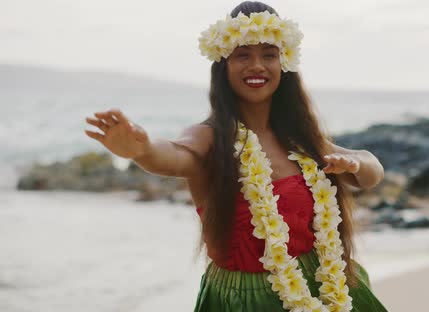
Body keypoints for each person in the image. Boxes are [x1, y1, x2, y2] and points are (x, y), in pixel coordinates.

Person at [84, 1, 388, 311]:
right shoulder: (210, 137)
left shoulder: (299, 138)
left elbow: (371, 171)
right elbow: (174, 155)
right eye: (243, 55)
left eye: (268, 55)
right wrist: (142, 149)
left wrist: (356, 164)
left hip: (326, 285)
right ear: (223, 65)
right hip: (245, 300)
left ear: (284, 64)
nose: (256, 65)